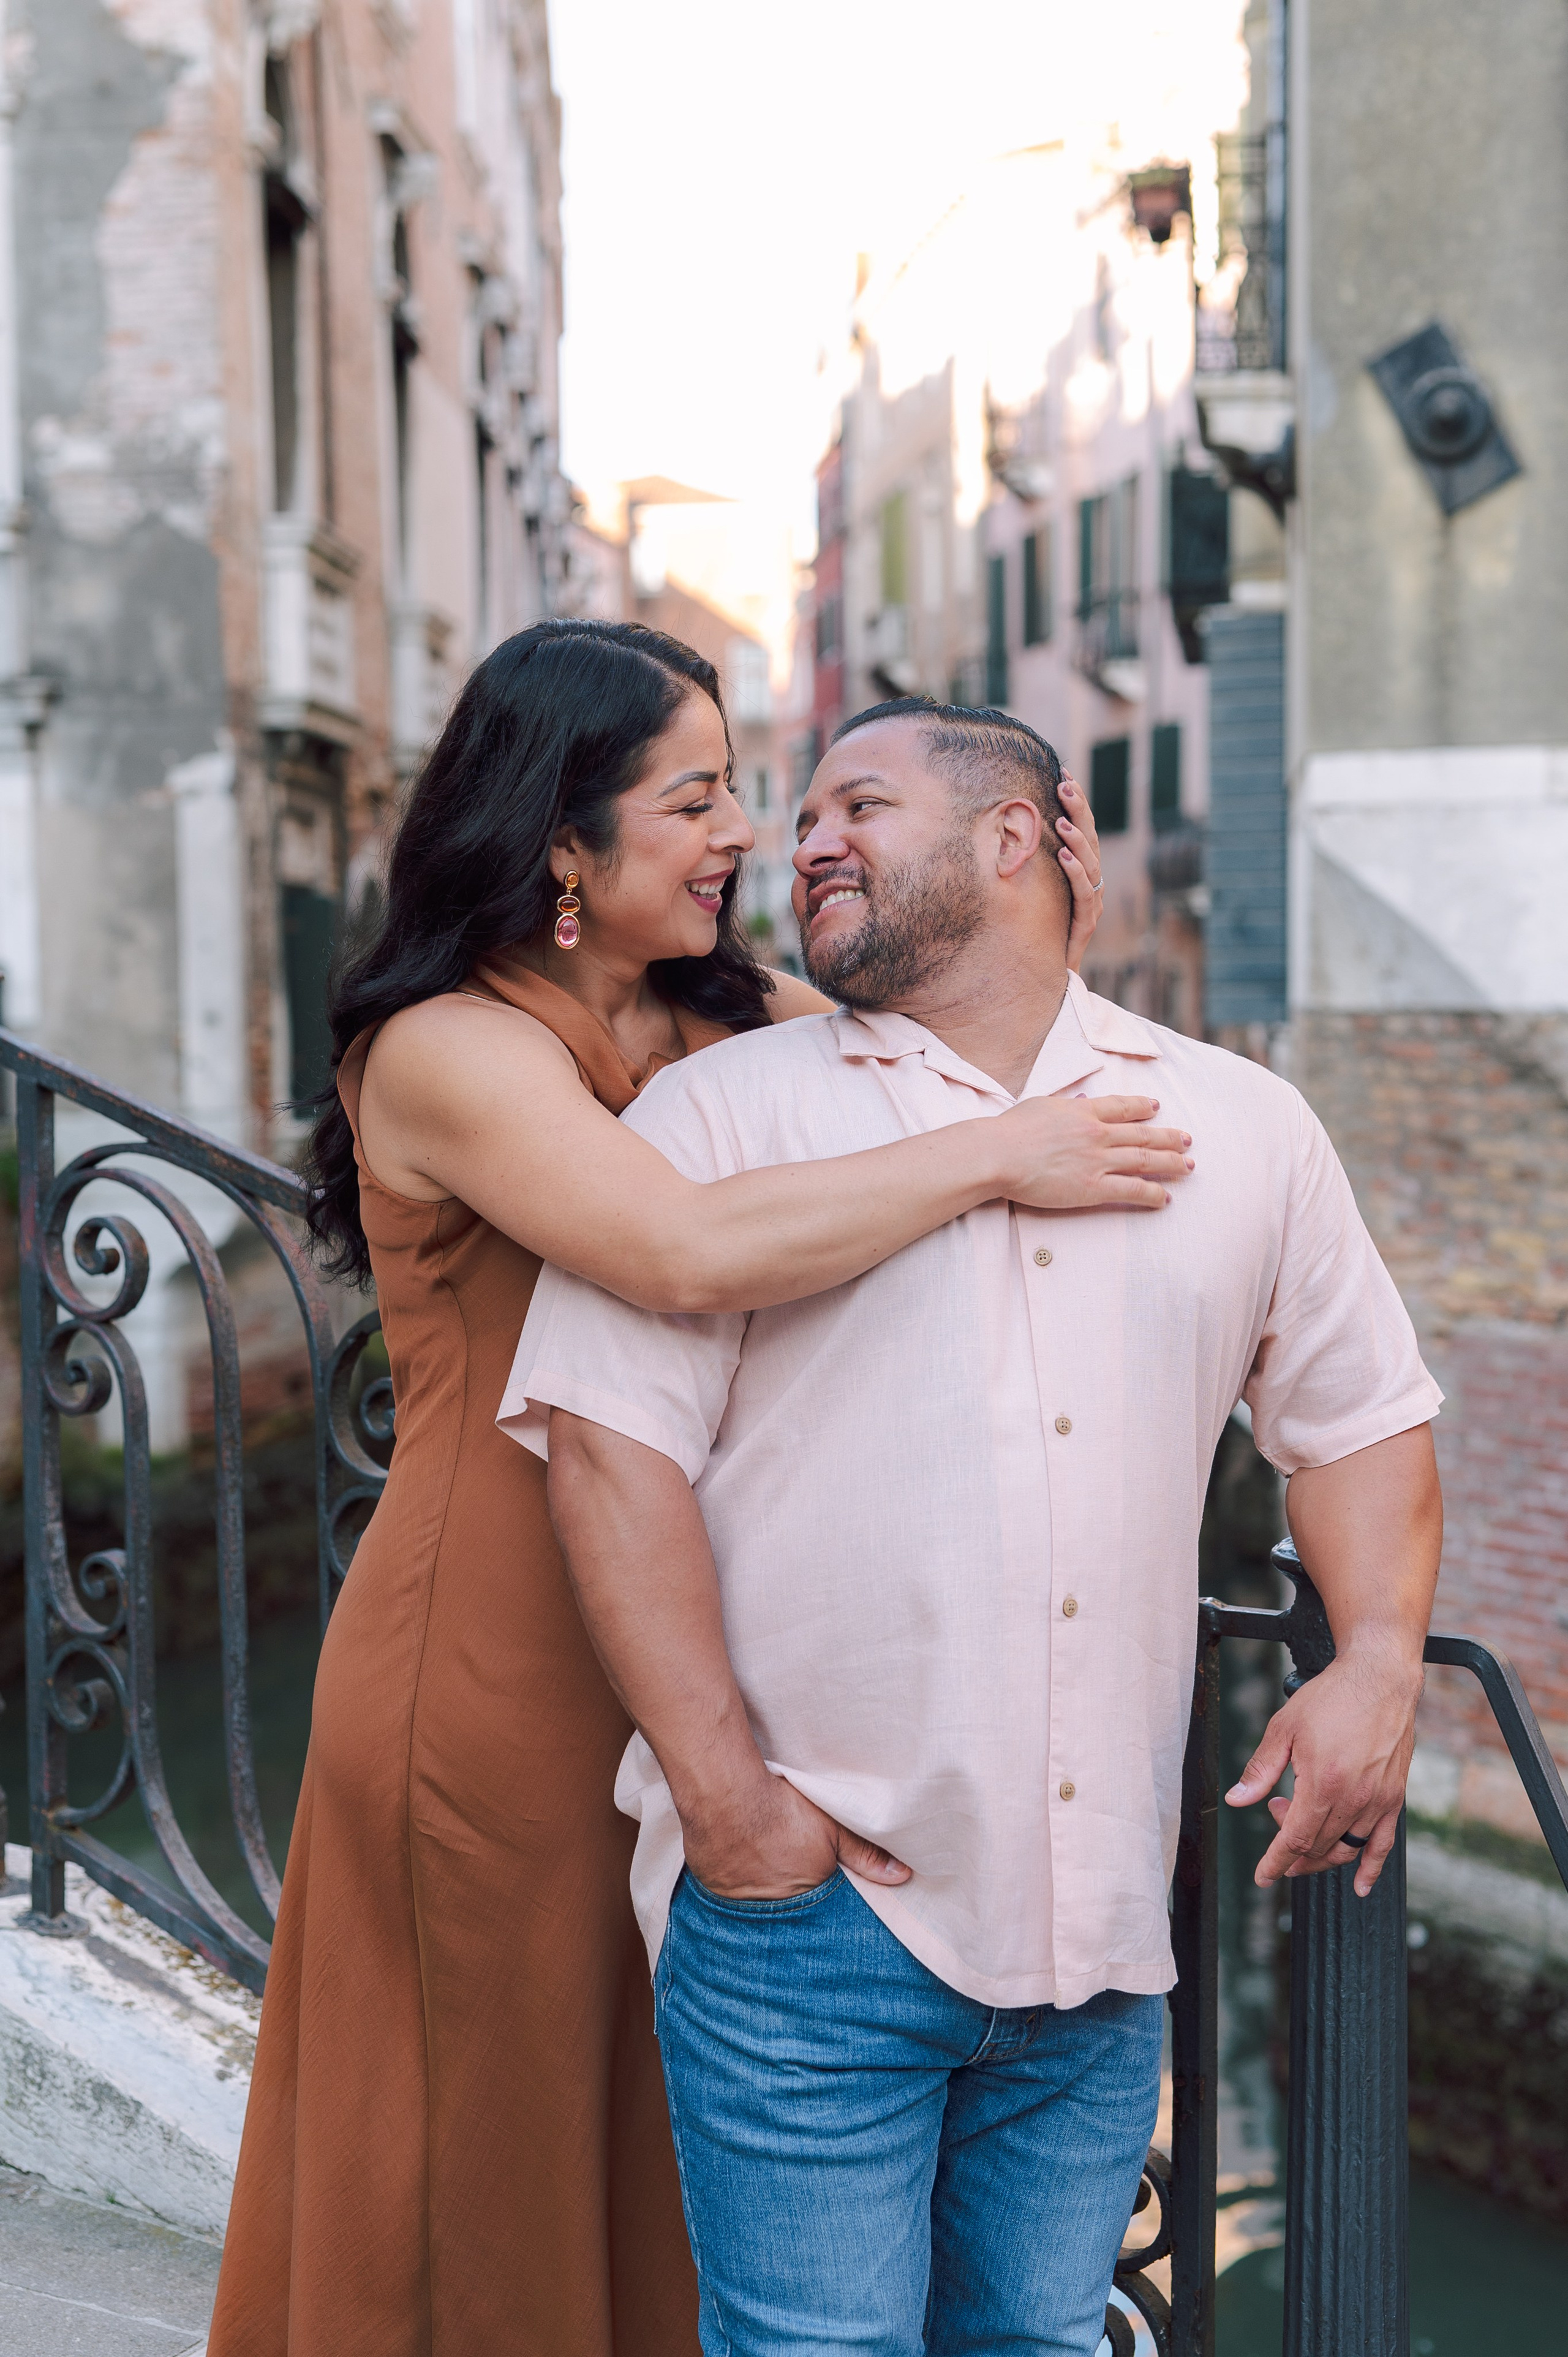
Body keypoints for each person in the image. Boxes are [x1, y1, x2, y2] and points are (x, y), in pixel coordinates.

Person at [208, 625, 1175, 2357]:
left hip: (712, 1654)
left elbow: (949, 1035)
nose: (746, 831)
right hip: (497, 1663)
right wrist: (1006, 1154)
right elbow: (679, 1247)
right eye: (698, 796)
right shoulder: (445, 1046)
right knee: (496, 2145)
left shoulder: (723, 1015)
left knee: (684, 2148)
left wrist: (1041, 932)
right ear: (563, 842)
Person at [503, 696, 1446, 2357]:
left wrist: (1375, 1661)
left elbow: (1360, 1421)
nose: (802, 842)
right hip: (810, 1922)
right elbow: (606, 1456)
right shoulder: (721, 1124)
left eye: (857, 803)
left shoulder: (1245, 1127)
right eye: (801, 818)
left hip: (1100, 1940)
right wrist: (731, 1810)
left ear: (1015, 836)